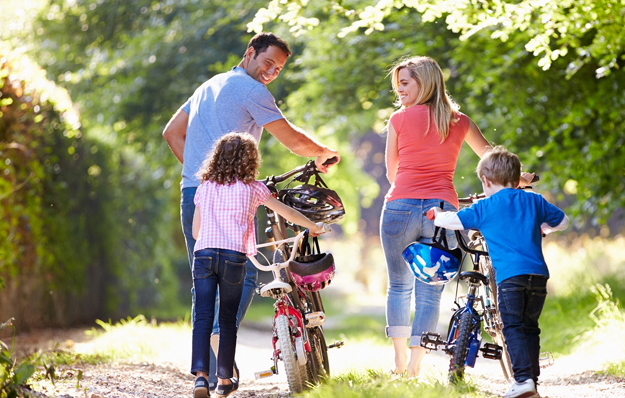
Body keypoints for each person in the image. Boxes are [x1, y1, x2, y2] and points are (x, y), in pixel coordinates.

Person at [163, 32, 339, 389]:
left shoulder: (209, 85)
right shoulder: (251, 91)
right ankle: (218, 342)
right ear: (250, 53)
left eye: (278, 69)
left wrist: (207, 176)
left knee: (204, 279)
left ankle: (211, 376)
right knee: (240, 274)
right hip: (232, 197)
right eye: (267, 63)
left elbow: (171, 133)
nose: (271, 73)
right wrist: (322, 152)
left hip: (194, 193)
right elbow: (290, 139)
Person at [189, 132, 328, 398]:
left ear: (217, 158)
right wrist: (313, 227)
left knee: (203, 317)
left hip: (204, 255)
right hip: (233, 257)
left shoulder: (205, 186)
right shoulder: (253, 189)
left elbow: (196, 232)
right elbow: (286, 213)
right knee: (227, 320)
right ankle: (224, 379)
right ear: (251, 160)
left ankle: (200, 378)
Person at [380, 55, 494, 377]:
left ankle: (399, 362)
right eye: (398, 84)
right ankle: (415, 364)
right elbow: (490, 157)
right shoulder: (460, 122)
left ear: (425, 82)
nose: (399, 90)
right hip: (442, 212)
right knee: (431, 288)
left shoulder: (398, 120)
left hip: (399, 207)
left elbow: (392, 173)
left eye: (405, 83)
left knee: (399, 285)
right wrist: (520, 176)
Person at [428, 146, 569, 398]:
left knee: (512, 327)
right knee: (530, 327)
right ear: (517, 180)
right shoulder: (534, 200)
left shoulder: (487, 207)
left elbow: (455, 221)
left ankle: (523, 380)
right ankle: (531, 382)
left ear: (486, 180)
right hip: (538, 276)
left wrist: (436, 215)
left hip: (510, 278)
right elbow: (563, 221)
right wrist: (542, 229)